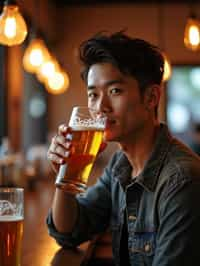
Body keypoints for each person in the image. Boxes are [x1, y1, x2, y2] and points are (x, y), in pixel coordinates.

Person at [46, 31, 200, 266]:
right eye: (93, 94)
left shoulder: (182, 180)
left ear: (151, 97)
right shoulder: (121, 165)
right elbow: (69, 231)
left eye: (114, 91)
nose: (100, 106)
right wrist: (66, 173)